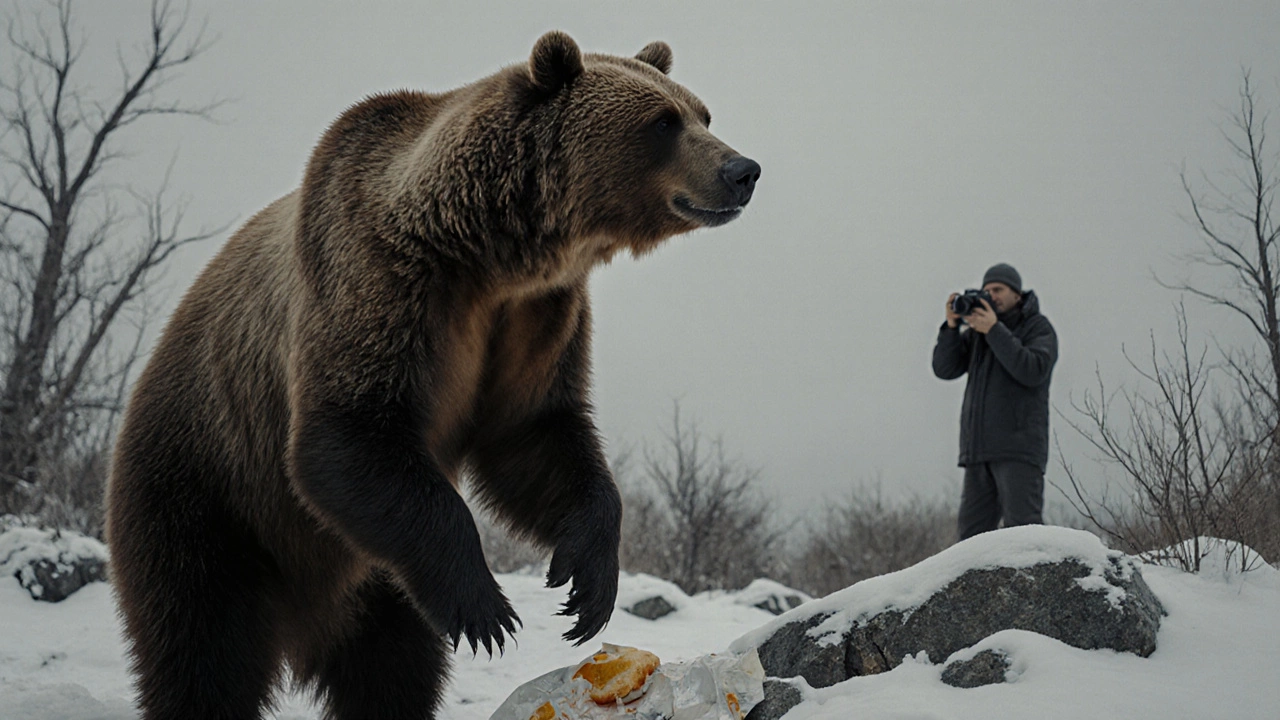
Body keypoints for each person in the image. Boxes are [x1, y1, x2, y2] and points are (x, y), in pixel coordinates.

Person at [932, 263, 1058, 540]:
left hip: (1018, 448)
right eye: (987, 290)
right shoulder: (979, 334)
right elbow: (944, 369)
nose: (992, 296)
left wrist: (995, 330)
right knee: (971, 543)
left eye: (998, 290)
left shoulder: (1037, 327)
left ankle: (1036, 584)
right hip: (978, 452)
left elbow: (1033, 369)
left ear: (1017, 293)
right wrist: (952, 327)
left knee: (1024, 533)